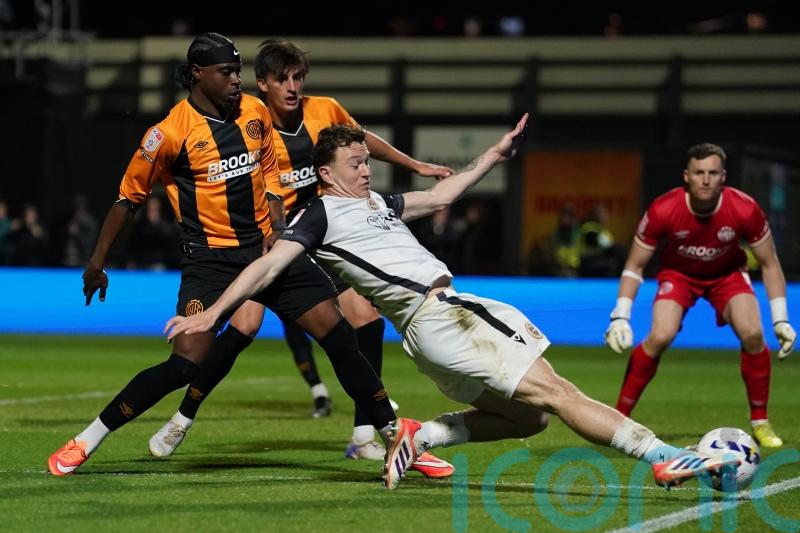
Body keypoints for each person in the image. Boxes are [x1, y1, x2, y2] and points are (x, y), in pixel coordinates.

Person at [165, 117, 737, 490]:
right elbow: (267, 265)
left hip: (440, 327)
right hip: (443, 318)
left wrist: (492, 154)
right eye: (356, 164)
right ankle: (665, 455)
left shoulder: (376, 203)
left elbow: (440, 193)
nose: (367, 169)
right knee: (559, 394)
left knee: (531, 417)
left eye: (367, 160)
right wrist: (212, 314)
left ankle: (422, 435)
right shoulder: (317, 216)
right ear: (325, 173)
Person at [47, 33, 444, 482]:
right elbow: (127, 200)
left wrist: (277, 230)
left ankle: (396, 437)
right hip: (210, 262)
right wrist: (96, 263)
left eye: (239, 72)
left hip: (268, 253)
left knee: (340, 337)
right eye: (227, 72)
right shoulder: (168, 134)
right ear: (198, 74)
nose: (237, 80)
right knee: (184, 365)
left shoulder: (255, 113)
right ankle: (88, 439)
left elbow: (272, 172)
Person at [152, 39, 454, 462]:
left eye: (298, 78)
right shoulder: (245, 116)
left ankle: (364, 434)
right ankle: (183, 416)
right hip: (265, 243)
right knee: (243, 327)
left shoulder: (324, 110)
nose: (293, 87)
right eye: (283, 79)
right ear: (263, 84)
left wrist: (416, 166)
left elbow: (361, 141)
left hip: (317, 238)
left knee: (365, 320)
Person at [605, 143, 796, 448]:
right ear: (686, 176)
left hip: (728, 275)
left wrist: (781, 319)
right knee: (660, 336)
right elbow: (634, 265)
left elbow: (770, 263)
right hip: (679, 276)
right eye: (699, 173)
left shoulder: (745, 209)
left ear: (723, 177)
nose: (705, 179)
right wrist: (620, 315)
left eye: (712, 173)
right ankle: (617, 418)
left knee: (753, 334)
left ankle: (760, 421)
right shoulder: (662, 209)